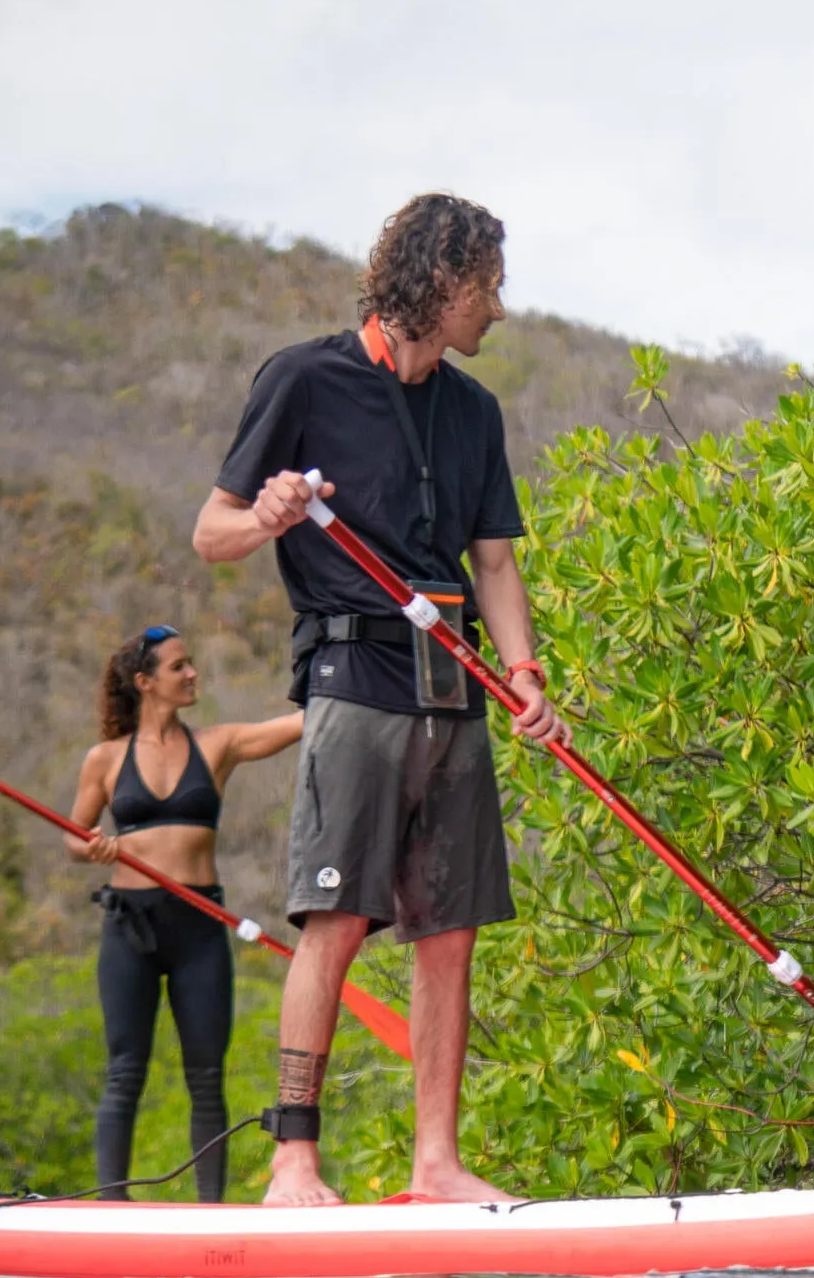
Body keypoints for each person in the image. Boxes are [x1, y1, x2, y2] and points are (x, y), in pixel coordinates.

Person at [190, 193, 565, 1208]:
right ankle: (292, 1163)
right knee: (338, 917)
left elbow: (494, 564)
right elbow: (211, 532)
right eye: (487, 286)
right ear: (440, 285)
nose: (498, 307)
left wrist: (527, 677)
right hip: (352, 679)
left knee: (450, 933)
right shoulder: (304, 378)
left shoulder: (475, 412)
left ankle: (435, 1166)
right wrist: (267, 515)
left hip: (456, 687)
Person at [65, 624, 303, 1200]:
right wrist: (90, 845)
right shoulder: (105, 759)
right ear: (145, 683)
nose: (192, 673)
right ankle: (112, 1203)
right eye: (179, 667)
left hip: (199, 926)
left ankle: (210, 1209)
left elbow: (294, 727)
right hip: (131, 926)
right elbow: (75, 835)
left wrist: (351, 690)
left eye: (190, 664)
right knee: (125, 1073)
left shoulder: (216, 746)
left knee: (206, 1077)